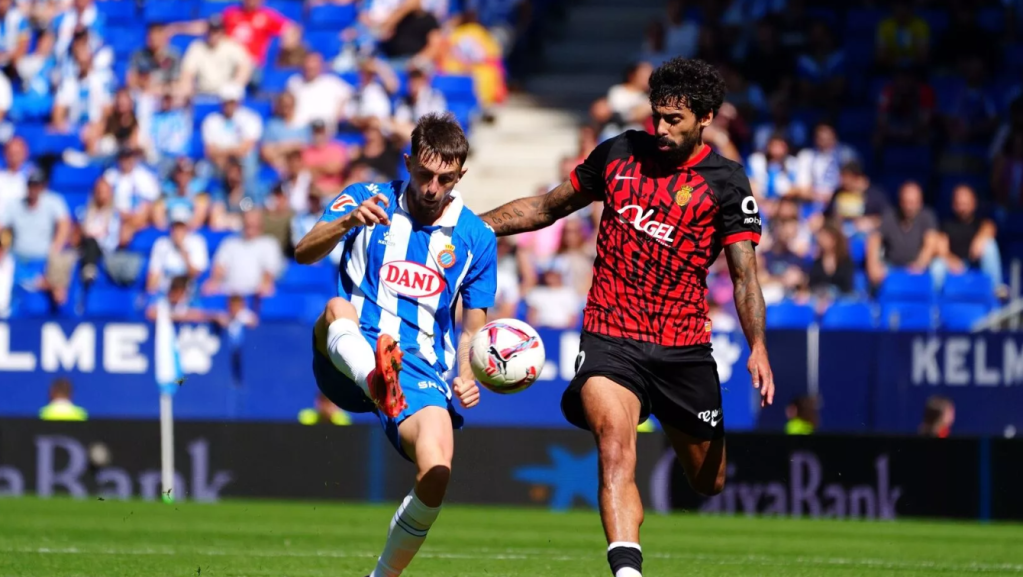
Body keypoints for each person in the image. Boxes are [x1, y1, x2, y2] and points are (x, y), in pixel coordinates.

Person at [479, 58, 774, 577]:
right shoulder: (618, 154)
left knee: (710, 480)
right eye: (657, 115)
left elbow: (745, 277)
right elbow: (546, 209)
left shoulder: (726, 181)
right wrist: (466, 227)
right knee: (615, 449)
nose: (661, 129)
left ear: (705, 117)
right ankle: (627, 572)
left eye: (675, 120)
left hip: (684, 349)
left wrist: (758, 346)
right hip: (612, 337)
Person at [294, 113, 495, 577]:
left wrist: (466, 378)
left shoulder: (476, 238)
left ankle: (381, 576)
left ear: (460, 175)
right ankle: (373, 378)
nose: (431, 186)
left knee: (438, 469)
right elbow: (304, 251)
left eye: (444, 178)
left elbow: (472, 329)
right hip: (348, 356)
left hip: (417, 370)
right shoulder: (367, 198)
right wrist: (346, 222)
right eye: (424, 174)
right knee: (335, 310)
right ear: (407, 163)